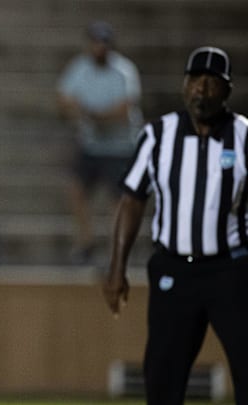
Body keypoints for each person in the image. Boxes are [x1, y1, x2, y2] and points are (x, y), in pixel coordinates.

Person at [103, 46, 248, 404]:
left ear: (226, 90)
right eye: (194, 80)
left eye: (211, 82)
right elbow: (132, 199)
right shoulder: (158, 135)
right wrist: (116, 268)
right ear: (184, 85)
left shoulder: (244, 135)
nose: (201, 89)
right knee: (163, 378)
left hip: (231, 270)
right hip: (173, 271)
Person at [57, 20, 143, 264]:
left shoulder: (124, 70)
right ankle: (86, 241)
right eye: (95, 42)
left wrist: (93, 115)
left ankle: (117, 247)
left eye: (103, 43)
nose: (99, 48)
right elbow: (63, 98)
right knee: (76, 189)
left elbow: (125, 109)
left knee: (117, 200)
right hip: (92, 145)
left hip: (119, 146)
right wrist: (77, 111)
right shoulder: (80, 67)